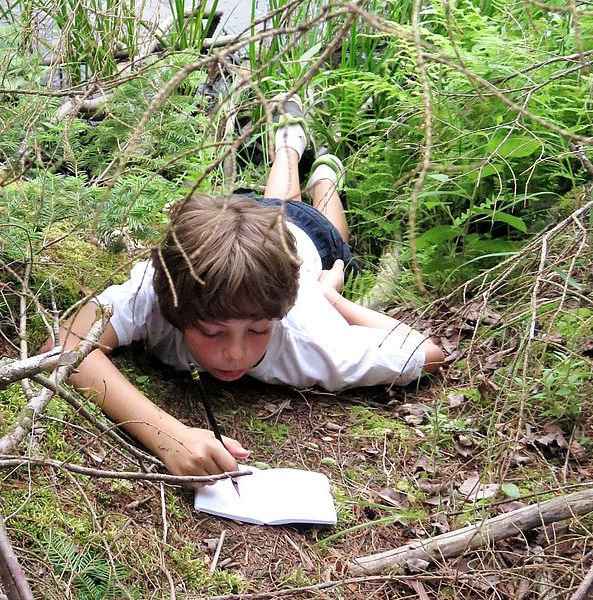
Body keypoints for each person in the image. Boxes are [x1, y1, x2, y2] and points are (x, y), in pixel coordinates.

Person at [55, 94, 444, 481]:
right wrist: (168, 435)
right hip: (234, 219)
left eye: (258, 329)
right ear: (175, 310)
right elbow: (68, 344)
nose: (236, 352)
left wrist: (331, 297)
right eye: (212, 331)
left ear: (279, 315)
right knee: (275, 201)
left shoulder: (313, 342)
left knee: (330, 227)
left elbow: (427, 352)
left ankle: (323, 172)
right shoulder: (164, 287)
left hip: (309, 237)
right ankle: (289, 146)